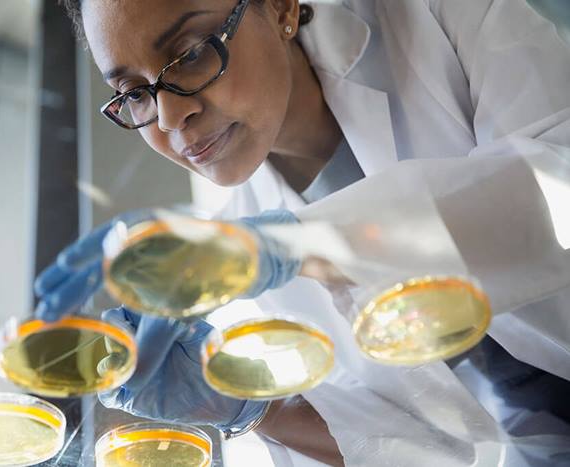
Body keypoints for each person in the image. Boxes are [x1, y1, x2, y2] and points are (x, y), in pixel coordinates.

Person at [35, 0, 570, 465]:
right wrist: (247, 404)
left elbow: (556, 184)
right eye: (132, 92)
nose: (172, 116)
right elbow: (421, 447)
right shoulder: (234, 256)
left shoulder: (439, 19)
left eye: (193, 51)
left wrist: (301, 244)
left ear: (283, 7)